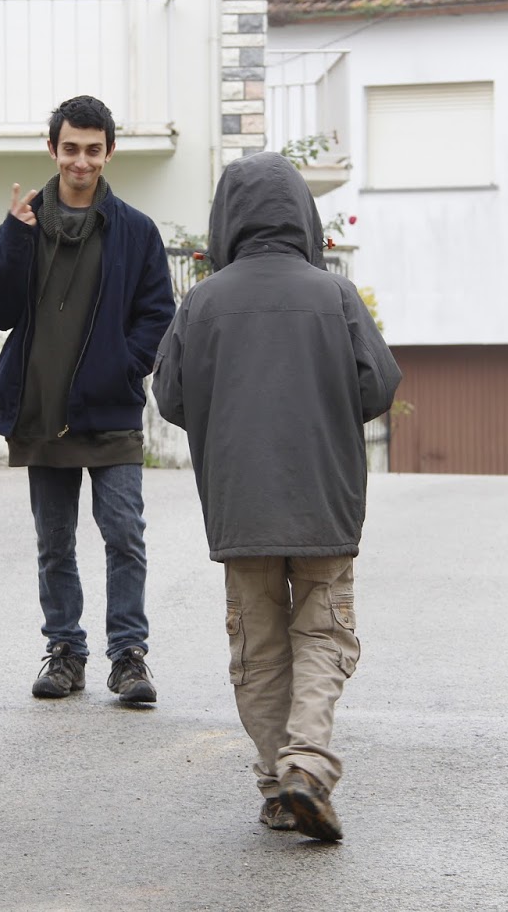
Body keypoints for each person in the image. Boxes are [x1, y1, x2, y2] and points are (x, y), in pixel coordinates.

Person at [152, 152, 400, 841]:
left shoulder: (201, 302)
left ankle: (276, 785)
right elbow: (378, 385)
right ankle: (306, 766)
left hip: (240, 504)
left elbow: (170, 397)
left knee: (258, 647)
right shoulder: (335, 295)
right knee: (322, 633)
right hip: (324, 497)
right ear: (303, 217)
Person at [0, 94, 176, 704]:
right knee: (54, 542)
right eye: (71, 149)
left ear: (110, 152)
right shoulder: (24, 223)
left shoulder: (136, 230)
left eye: (93, 150)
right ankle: (65, 651)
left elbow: (158, 316)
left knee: (124, 533)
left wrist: (123, 368)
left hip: (111, 409)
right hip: (41, 410)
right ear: (52, 149)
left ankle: (129, 657)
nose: (81, 161)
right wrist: (14, 238)